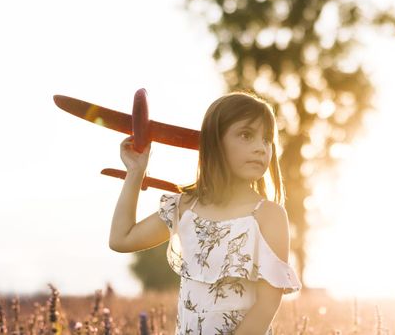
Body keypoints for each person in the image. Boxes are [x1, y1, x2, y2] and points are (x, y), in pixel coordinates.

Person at [109, 91, 302, 334]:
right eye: (246, 135)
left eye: (266, 140)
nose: (260, 148)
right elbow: (121, 239)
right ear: (214, 142)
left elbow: (266, 305)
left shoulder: (268, 215)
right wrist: (135, 172)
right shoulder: (185, 207)